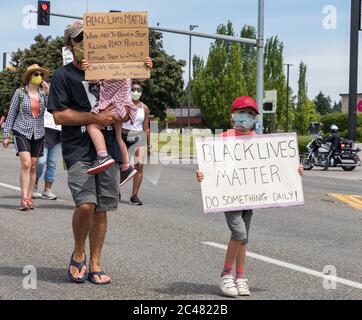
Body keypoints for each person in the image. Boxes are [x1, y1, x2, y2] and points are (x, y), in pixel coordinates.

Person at [47, 21, 151, 285]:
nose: (87, 45)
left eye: (91, 39)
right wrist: (95, 116)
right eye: (80, 40)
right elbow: (59, 115)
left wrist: (139, 68)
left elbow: (126, 111)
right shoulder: (63, 76)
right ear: (70, 46)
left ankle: (95, 262)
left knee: (102, 209)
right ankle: (78, 253)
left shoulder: (114, 70)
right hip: (79, 149)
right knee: (85, 204)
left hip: (110, 150)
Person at [196, 96, 304, 297]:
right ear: (233, 116)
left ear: (255, 118)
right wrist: (202, 174)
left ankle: (240, 277)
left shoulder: (260, 141)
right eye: (241, 113)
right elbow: (210, 164)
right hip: (228, 195)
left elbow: (278, 166)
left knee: (244, 238)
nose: (245, 117)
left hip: (249, 196)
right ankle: (226, 275)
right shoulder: (224, 137)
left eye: (250, 114)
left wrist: (294, 168)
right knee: (239, 233)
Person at [80, 58, 152, 187]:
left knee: (92, 126)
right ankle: (126, 165)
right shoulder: (125, 71)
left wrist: (89, 70)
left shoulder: (105, 69)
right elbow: (140, 77)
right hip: (124, 106)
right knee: (118, 137)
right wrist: (146, 67)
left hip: (114, 106)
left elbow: (94, 80)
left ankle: (103, 155)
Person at [2, 64, 49, 211]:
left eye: (40, 74)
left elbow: (52, 110)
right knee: (27, 164)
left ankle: (29, 198)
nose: (38, 76)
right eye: (35, 74)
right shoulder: (20, 93)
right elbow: (11, 114)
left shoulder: (43, 93)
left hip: (39, 132)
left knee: (34, 165)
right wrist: (5, 135)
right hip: (21, 130)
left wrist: (48, 94)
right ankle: (23, 199)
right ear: (29, 76)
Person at [121, 81, 151, 205]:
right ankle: (115, 190)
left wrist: (149, 145)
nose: (136, 92)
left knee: (139, 165)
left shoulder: (145, 108)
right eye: (133, 89)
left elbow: (146, 127)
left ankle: (134, 195)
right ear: (129, 90)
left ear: (142, 93)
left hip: (139, 137)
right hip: (123, 135)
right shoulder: (123, 104)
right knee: (121, 165)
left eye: (138, 90)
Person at [33, 110, 62, 200]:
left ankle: (47, 190)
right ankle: (34, 186)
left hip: (59, 136)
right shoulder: (43, 98)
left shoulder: (65, 98)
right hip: (43, 134)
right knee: (41, 162)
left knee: (52, 163)